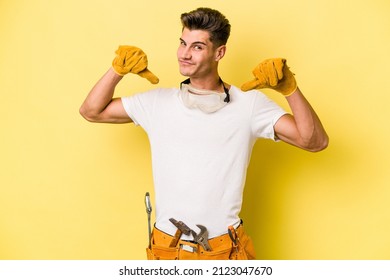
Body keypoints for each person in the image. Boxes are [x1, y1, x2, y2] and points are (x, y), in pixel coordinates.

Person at [79, 7, 328, 260]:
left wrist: (290, 88)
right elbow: (91, 111)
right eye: (182, 43)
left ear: (219, 52)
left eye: (197, 47)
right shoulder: (156, 103)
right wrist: (117, 71)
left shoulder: (249, 105)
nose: (184, 54)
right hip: (167, 250)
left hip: (224, 250)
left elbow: (314, 141)